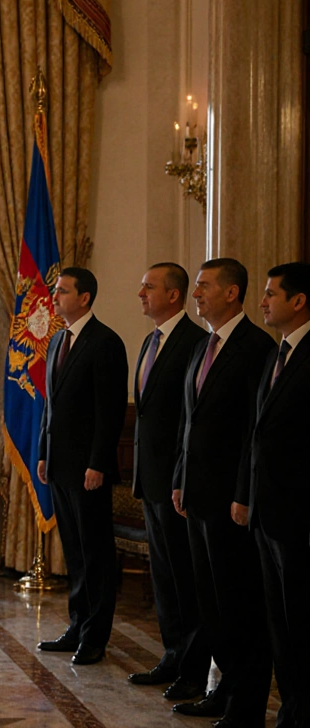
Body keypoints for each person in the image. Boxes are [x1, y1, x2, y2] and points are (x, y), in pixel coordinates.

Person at [172, 257, 273, 726]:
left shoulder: (256, 347)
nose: (196, 295)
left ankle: (245, 703)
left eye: (204, 287)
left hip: (230, 502)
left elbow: (255, 431)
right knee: (211, 602)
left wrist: (242, 493)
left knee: (239, 604)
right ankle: (225, 688)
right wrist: (179, 478)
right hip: (197, 496)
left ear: (232, 293)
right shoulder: (203, 346)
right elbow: (188, 423)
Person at [35, 266, 128, 666]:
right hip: (59, 464)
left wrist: (97, 463)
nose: (54, 297)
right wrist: (42, 453)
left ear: (85, 297)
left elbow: (109, 413)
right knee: (74, 553)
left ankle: (95, 636)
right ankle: (76, 627)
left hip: (88, 470)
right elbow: (50, 406)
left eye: (62, 291)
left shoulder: (106, 342)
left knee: (95, 554)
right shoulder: (58, 340)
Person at [126, 262, 209, 700]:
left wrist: (179, 477)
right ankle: (172, 655)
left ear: (173, 295)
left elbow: (186, 423)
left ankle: (193, 668)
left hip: (177, 483)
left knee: (185, 579)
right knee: (164, 577)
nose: (140, 293)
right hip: (150, 480)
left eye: (149, 287)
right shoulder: (150, 340)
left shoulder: (194, 343)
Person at [247, 261, 310, 728]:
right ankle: (290, 705)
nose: (263, 302)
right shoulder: (276, 354)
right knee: (279, 622)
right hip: (267, 511)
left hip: (299, 513)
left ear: (298, 300)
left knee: (302, 619)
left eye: (271, 294)